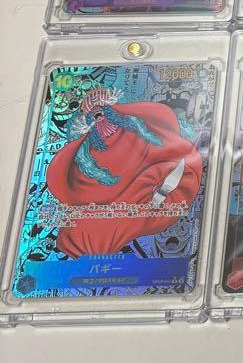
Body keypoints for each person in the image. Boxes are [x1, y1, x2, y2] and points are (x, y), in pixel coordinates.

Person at [46, 86, 203, 256]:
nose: (99, 117)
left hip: (149, 193)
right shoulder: (88, 152)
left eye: (101, 111)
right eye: (94, 114)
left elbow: (173, 159)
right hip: (108, 191)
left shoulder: (135, 129)